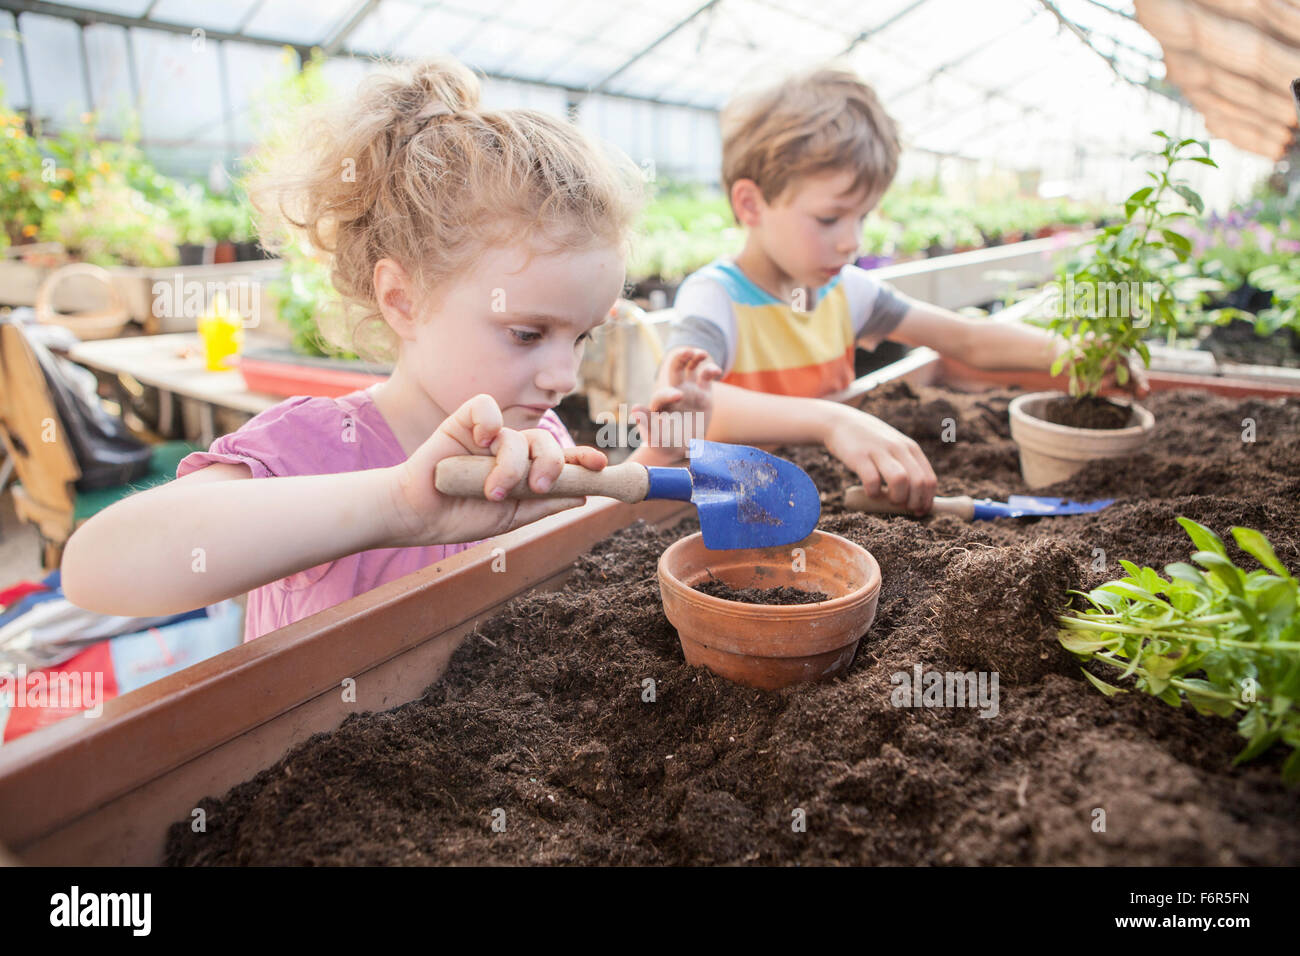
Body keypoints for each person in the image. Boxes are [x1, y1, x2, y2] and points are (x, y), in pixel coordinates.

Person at [61, 57, 714, 642]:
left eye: (581, 336)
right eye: (526, 333)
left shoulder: (530, 434)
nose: (563, 376)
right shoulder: (310, 450)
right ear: (402, 299)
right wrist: (399, 505)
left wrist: (659, 460)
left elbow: (587, 539)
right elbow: (95, 567)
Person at [654, 65, 1147, 516]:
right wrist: (832, 422)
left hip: (825, 505)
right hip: (735, 513)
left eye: (862, 216)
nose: (853, 241)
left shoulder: (847, 292)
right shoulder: (714, 297)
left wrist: (1074, 355)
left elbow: (968, 340)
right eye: (829, 218)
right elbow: (687, 404)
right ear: (751, 204)